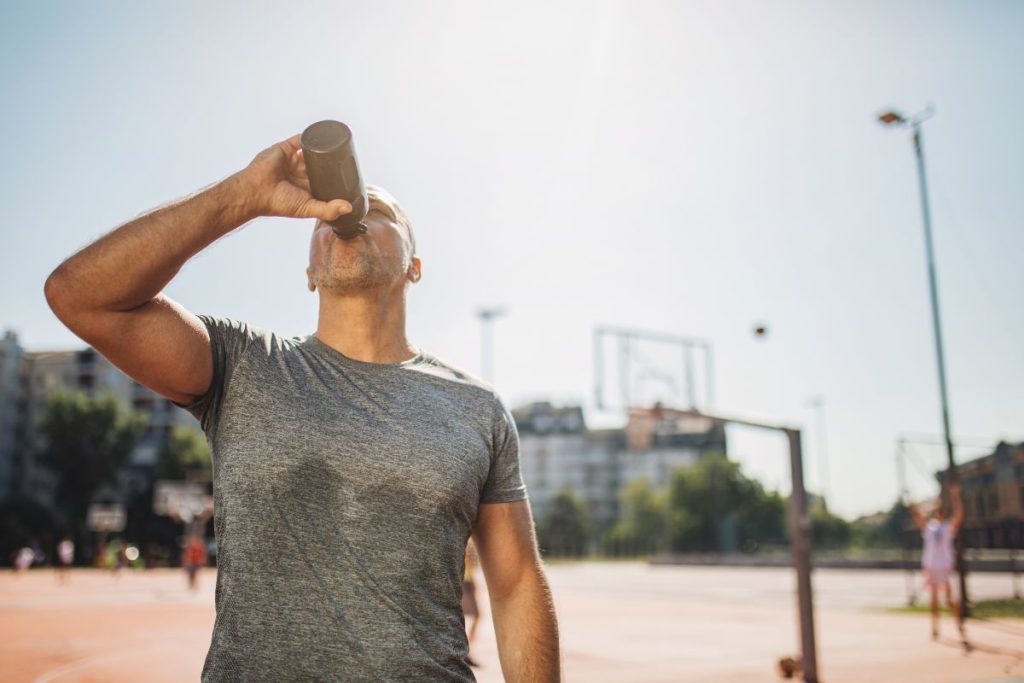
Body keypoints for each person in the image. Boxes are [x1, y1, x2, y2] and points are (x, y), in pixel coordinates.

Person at [45, 133, 561, 681]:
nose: (343, 216)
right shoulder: (242, 363)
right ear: (309, 274)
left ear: (415, 266)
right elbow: (79, 295)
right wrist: (242, 195)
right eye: (320, 222)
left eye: (375, 210)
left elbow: (516, 585)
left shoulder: (476, 408)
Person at [909, 481, 965, 642]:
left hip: (943, 566)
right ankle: (935, 628)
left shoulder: (948, 528)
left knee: (949, 599)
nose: (938, 513)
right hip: (932, 566)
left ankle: (958, 625)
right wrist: (911, 497)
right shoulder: (929, 528)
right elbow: (916, 514)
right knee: (934, 600)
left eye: (940, 511)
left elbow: (959, 515)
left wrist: (955, 497)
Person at [462, 538, 481, 667]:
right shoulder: (468, 542)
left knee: (476, 616)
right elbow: (468, 564)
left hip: (467, 582)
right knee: (464, 617)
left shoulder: (471, 543)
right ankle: (465, 652)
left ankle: (467, 650)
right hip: (463, 583)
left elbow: (470, 566)